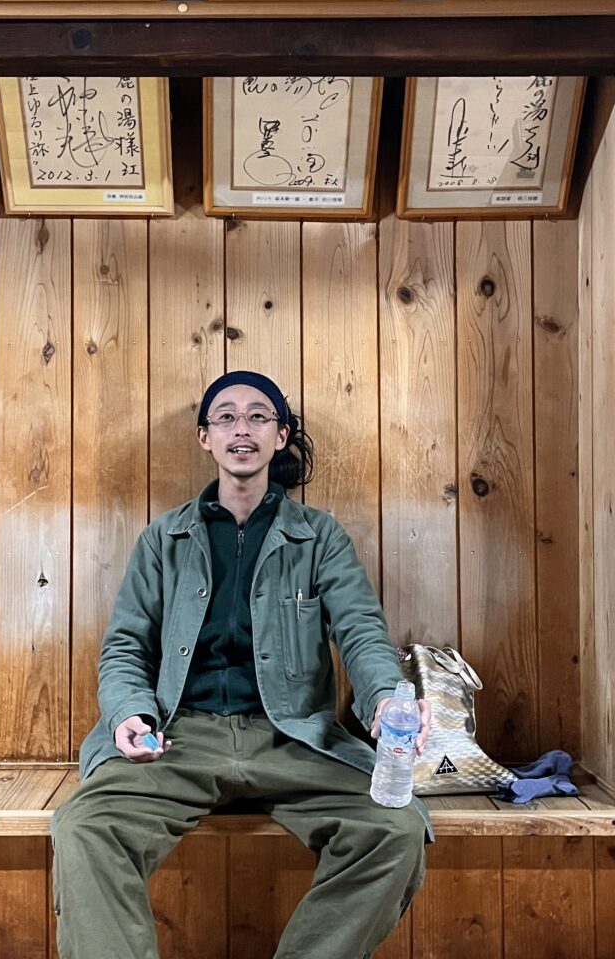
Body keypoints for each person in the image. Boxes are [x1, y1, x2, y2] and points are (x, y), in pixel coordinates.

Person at [52, 370, 432, 959]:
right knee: (84, 826)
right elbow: (126, 646)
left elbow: (361, 632)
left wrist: (385, 698)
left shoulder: (320, 537)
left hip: (293, 740)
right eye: (225, 417)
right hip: (179, 739)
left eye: (258, 416)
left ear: (280, 436)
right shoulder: (163, 539)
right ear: (205, 438)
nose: (242, 429)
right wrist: (129, 714)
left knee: (396, 829)